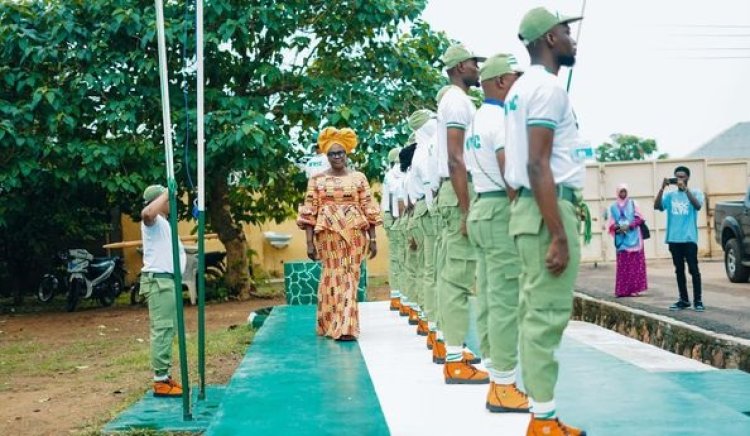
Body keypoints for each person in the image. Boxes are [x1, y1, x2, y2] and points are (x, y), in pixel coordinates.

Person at [504, 7, 588, 435]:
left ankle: (542, 412)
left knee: (531, 311)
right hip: (547, 210)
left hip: (529, 210)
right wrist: (558, 233)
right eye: (566, 31)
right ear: (549, 39)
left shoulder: (520, 90)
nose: (572, 37)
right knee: (545, 314)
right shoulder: (548, 90)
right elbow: (538, 164)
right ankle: (543, 420)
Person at [464, 53, 529, 413]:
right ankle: (504, 384)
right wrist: (521, 208)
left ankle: (496, 371)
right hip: (501, 208)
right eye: (516, 78)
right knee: (506, 299)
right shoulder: (503, 118)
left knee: (489, 296)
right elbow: (509, 169)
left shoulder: (477, 119)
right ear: (502, 81)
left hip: (481, 208)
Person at [297, 127, 381, 341]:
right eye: (333, 153)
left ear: (347, 154)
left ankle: (346, 327)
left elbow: (368, 208)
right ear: (326, 155)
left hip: (355, 233)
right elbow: (309, 211)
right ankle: (329, 322)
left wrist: (373, 239)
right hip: (328, 235)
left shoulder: (359, 178)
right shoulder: (317, 180)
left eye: (341, 153)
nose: (337, 157)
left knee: (350, 277)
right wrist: (309, 243)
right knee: (332, 276)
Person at [434, 43, 487, 383]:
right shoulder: (456, 101)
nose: (477, 68)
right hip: (459, 191)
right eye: (472, 62)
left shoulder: (459, 100)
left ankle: (454, 349)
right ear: (457, 68)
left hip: (456, 190)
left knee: (455, 275)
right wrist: (467, 210)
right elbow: (456, 158)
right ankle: (454, 359)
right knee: (457, 277)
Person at [140, 184, 187, 397]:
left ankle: (165, 376)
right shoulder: (152, 221)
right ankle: (160, 381)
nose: (171, 203)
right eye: (168, 200)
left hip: (168, 281)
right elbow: (147, 213)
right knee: (162, 328)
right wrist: (167, 192)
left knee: (169, 330)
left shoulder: (164, 223)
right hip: (159, 282)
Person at [654, 165, 705, 312]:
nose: (679, 179)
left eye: (682, 176)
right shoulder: (670, 196)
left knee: (694, 270)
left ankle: (698, 300)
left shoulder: (695, 192)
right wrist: (662, 188)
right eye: (677, 177)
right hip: (674, 238)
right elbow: (657, 206)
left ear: (688, 177)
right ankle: (683, 300)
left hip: (689, 238)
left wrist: (685, 189)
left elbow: (698, 206)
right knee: (679, 270)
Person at [608, 183, 648, 297]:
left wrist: (630, 225)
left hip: (635, 237)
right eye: (621, 191)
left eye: (624, 191)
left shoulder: (633, 203)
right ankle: (622, 290)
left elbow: (640, 218)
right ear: (617, 192)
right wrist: (619, 228)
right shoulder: (613, 207)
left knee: (635, 265)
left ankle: (634, 289)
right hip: (622, 239)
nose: (623, 193)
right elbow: (611, 225)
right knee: (623, 265)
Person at [382, 147, 404, 312]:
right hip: (397, 216)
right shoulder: (398, 173)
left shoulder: (389, 174)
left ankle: (397, 297)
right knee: (403, 258)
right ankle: (401, 297)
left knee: (396, 257)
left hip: (391, 216)